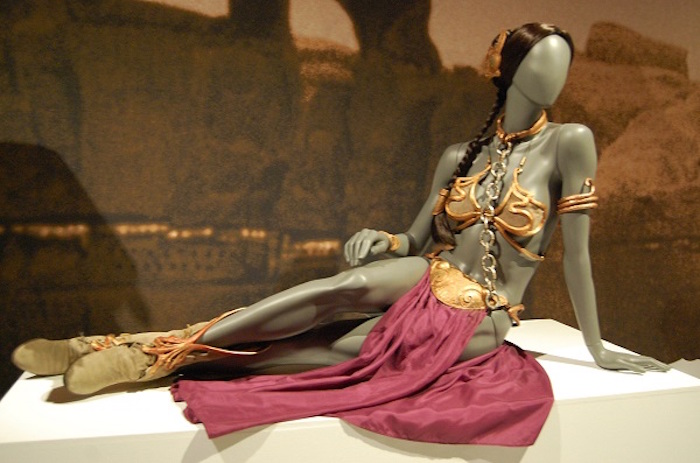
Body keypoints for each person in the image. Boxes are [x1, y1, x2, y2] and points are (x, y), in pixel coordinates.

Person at [12, 23, 668, 446]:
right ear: (512, 72)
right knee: (339, 286)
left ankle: (156, 359)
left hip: (487, 310)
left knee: (339, 353)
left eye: (561, 66)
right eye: (543, 66)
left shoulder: (570, 142)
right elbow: (415, 241)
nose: (555, 79)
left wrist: (597, 346)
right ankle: (125, 346)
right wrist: (382, 240)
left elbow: (577, 256)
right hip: (433, 273)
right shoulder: (459, 155)